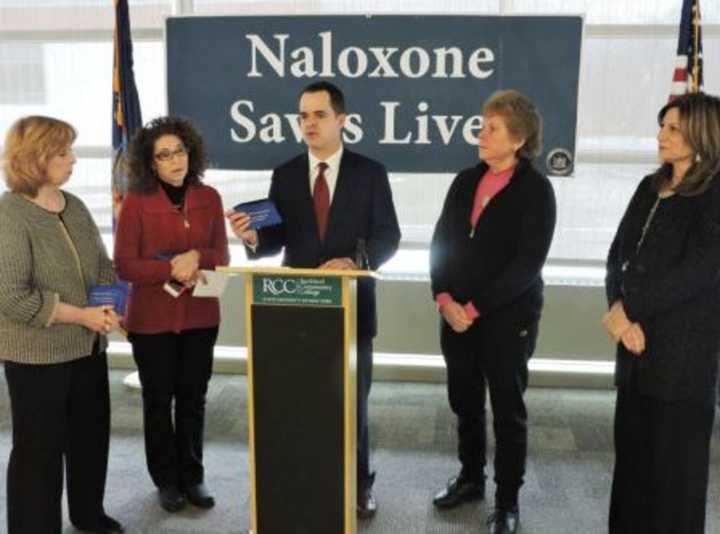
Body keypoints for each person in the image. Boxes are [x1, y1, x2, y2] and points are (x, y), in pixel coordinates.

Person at [226, 80, 401, 518]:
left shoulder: (370, 172)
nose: (309, 123)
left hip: (352, 308)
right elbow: (276, 239)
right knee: (301, 401)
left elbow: (388, 235)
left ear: (341, 120)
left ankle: (359, 484)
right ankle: (306, 478)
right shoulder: (285, 173)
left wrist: (353, 260)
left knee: (352, 403)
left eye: (319, 115)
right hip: (296, 311)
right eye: (303, 116)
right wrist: (251, 237)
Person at [429, 90, 556, 534]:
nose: (480, 134)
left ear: (518, 139)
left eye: (492, 128)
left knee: (507, 409)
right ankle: (469, 479)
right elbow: (440, 242)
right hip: (455, 318)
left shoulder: (537, 191)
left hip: (507, 320)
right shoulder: (465, 181)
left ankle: (507, 501)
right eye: (481, 125)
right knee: (464, 401)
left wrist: (475, 307)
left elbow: (527, 264)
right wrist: (444, 300)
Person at [0, 116, 124, 534]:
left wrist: (108, 306)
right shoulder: (10, 215)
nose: (72, 159)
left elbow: (103, 266)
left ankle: (88, 514)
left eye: (70, 149)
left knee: (90, 440)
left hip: (88, 348)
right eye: (62, 152)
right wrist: (81, 315)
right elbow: (12, 297)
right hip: (36, 356)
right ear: (34, 158)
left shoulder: (75, 204)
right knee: (39, 454)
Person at [604, 92, 720, 534]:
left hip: (682, 364)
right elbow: (618, 256)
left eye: (673, 128)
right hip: (634, 359)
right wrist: (618, 310)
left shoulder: (714, 194)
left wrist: (628, 309)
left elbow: (702, 270)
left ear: (701, 133)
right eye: (662, 126)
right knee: (631, 473)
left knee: (674, 483)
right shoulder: (649, 187)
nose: (661, 135)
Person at [114, 116, 230, 513]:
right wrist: (171, 269)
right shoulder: (135, 202)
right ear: (151, 164)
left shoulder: (209, 197)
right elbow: (125, 265)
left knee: (194, 399)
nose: (174, 160)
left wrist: (198, 255)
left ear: (190, 152)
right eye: (163, 155)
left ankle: (193, 476)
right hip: (151, 321)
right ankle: (166, 480)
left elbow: (222, 257)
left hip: (200, 316)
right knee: (158, 401)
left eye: (179, 151)